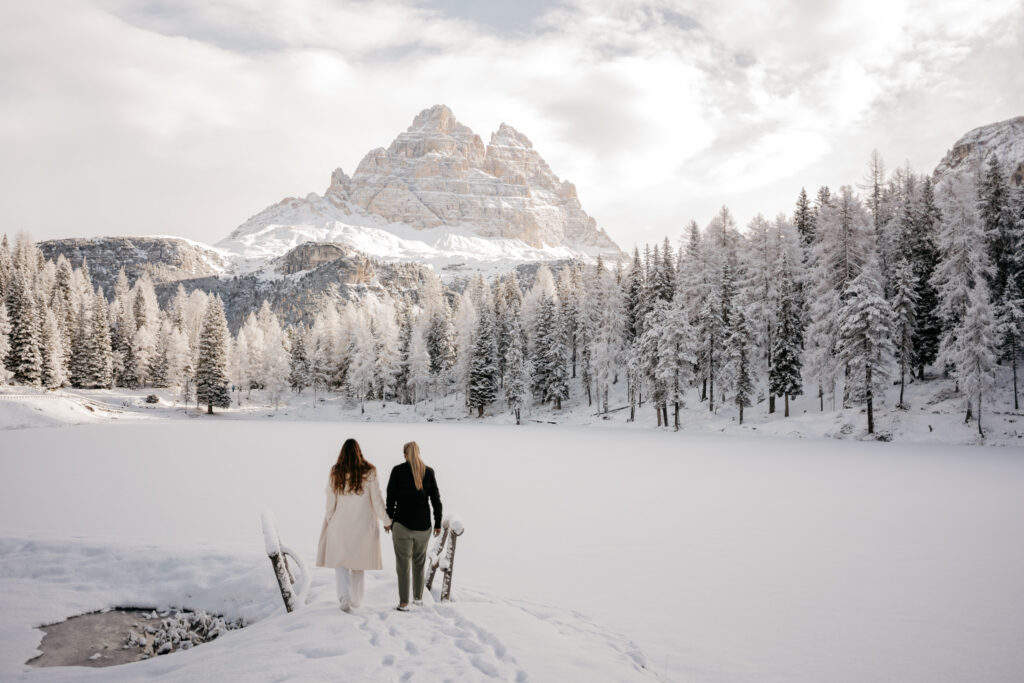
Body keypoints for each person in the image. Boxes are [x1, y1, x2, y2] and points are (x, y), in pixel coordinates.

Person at [316, 438, 392, 612]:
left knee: (341, 562)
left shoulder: (336, 471)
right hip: (362, 525)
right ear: (359, 452)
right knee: (358, 563)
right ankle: (356, 601)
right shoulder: (370, 471)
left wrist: (330, 518)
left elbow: (330, 499)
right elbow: (377, 499)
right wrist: (386, 520)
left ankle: (344, 597)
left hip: (340, 524)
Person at [386, 441, 442, 611]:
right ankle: (418, 600)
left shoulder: (397, 471)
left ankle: (403, 603)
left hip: (402, 525)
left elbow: (390, 498)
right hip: (423, 526)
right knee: (419, 563)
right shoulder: (429, 472)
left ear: (405, 454)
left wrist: (390, 520)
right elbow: (436, 501)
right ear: (419, 453)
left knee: (403, 566)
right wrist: (438, 522)